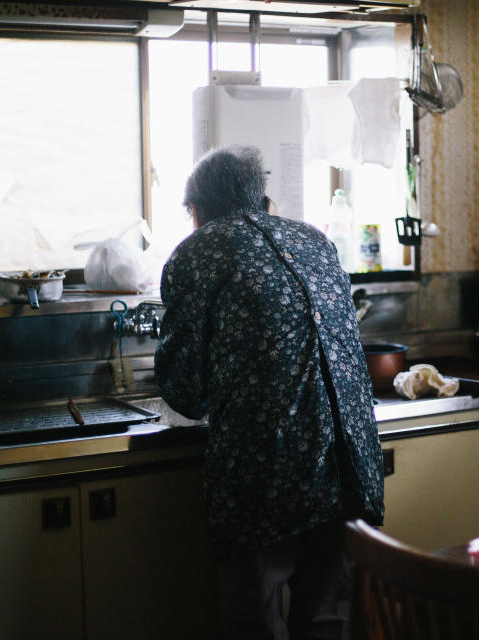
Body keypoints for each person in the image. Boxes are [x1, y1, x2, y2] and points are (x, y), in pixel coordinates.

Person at [154, 145, 384, 640]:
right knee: (327, 618)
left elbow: (184, 390)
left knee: (254, 621)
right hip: (349, 463)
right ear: (261, 198)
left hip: (267, 464)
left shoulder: (197, 251)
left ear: (195, 210)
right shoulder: (315, 240)